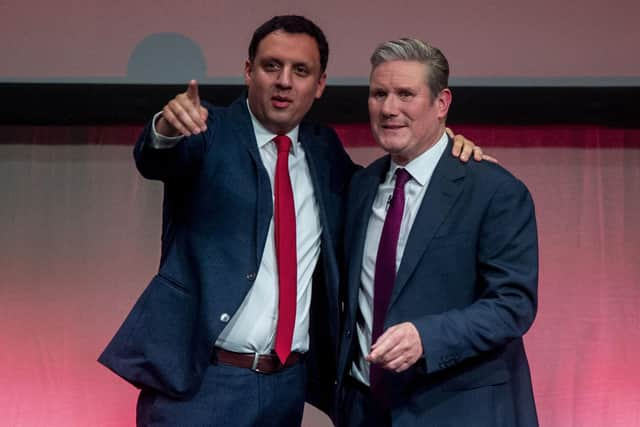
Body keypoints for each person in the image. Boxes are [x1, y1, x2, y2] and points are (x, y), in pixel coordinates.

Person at [99, 16, 483, 427]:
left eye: (301, 71)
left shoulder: (323, 150)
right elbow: (157, 157)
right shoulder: (208, 131)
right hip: (201, 383)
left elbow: (378, 188)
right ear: (249, 71)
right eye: (271, 66)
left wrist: (441, 145)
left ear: (319, 85)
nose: (284, 81)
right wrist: (165, 127)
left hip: (286, 386)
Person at [336, 38, 539, 427]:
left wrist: (427, 337)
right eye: (379, 93)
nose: (388, 108)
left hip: (457, 410)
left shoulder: (494, 190)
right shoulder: (360, 188)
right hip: (364, 411)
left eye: (405, 94)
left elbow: (513, 304)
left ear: (441, 103)